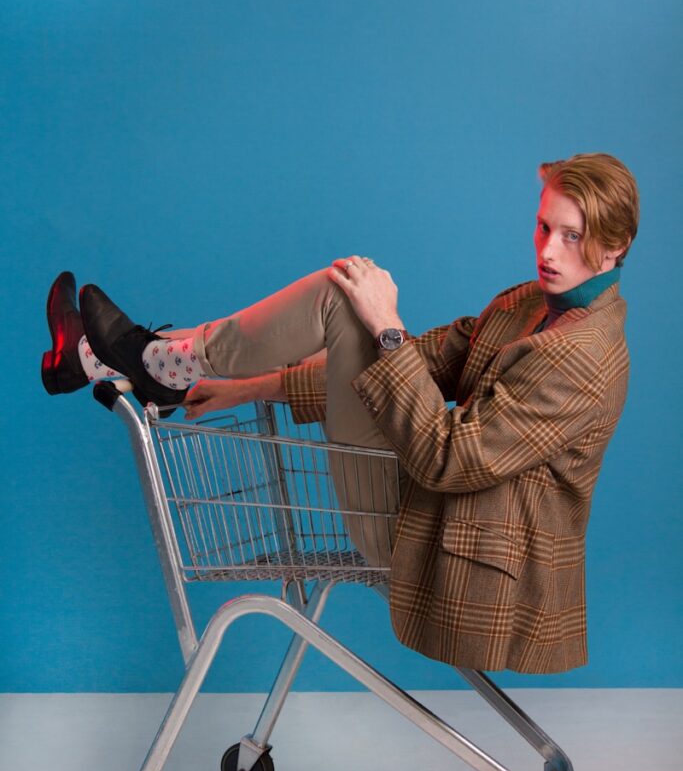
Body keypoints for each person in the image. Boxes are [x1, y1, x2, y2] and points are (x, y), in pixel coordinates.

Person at [41, 152, 639, 674]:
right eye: (543, 226)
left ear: (615, 248)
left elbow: (450, 457)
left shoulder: (582, 359)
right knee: (351, 295)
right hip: (426, 513)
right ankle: (116, 362)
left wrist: (386, 325)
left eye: (571, 237)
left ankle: (154, 362)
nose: (547, 250)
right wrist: (252, 386)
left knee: (350, 301)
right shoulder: (528, 304)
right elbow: (419, 362)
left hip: (451, 553)